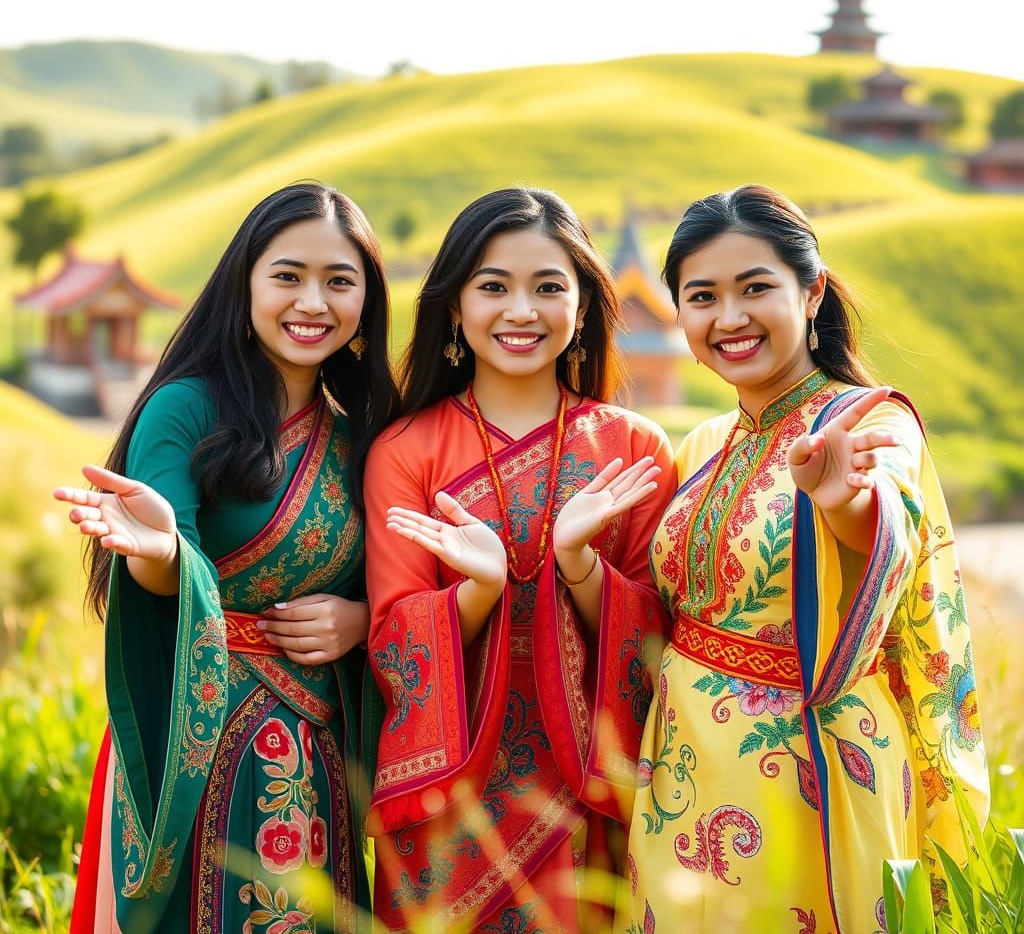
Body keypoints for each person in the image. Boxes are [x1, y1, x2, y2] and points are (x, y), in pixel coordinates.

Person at [618, 185, 988, 934]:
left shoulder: (871, 421)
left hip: (811, 766)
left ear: (811, 290)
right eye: (702, 296)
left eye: (755, 288)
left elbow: (881, 530)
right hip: (680, 766)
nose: (729, 318)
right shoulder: (701, 446)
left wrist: (835, 499)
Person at [55, 182, 398, 934]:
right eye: (287, 276)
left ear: (366, 302)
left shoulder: (364, 438)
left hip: (311, 756)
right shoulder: (186, 408)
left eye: (339, 281)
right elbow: (162, 562)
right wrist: (165, 555)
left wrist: (363, 620)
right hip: (193, 745)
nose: (313, 301)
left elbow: (399, 585)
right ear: (245, 281)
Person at [362, 188, 677, 932]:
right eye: (493, 286)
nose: (521, 310)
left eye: (548, 287)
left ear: (582, 309)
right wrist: (481, 588)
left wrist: (580, 567)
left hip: (587, 796)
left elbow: (659, 640)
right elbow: (394, 637)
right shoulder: (405, 451)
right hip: (450, 803)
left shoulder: (633, 449)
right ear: (453, 307)